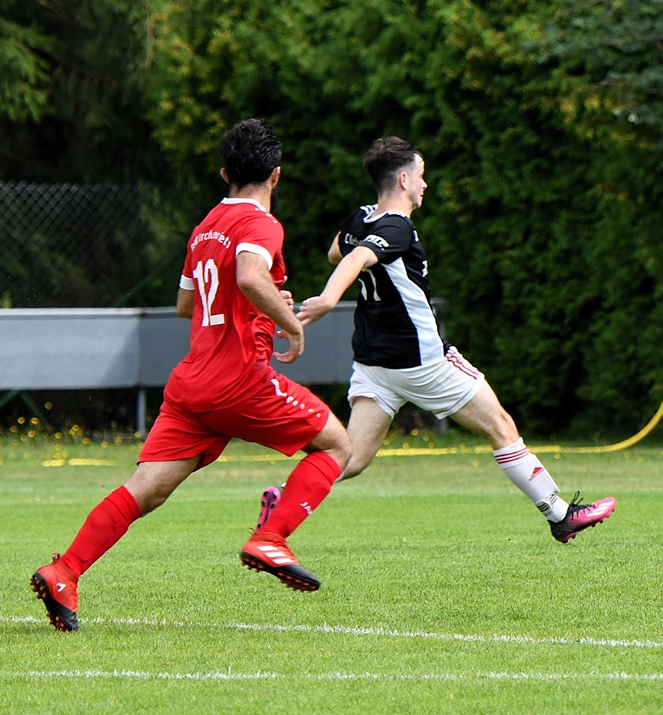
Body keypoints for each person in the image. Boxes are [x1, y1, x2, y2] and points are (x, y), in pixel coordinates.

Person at [30, 119, 353, 632]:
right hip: (239, 377)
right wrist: (291, 325)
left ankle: (65, 570)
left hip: (193, 382)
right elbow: (248, 276)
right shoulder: (263, 224)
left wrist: (265, 306)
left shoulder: (206, 226)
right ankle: (271, 538)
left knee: (146, 488)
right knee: (339, 446)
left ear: (225, 172)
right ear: (276, 175)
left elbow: (189, 303)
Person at [256, 136, 615, 543]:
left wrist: (362, 262)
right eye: (422, 176)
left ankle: (283, 500)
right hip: (421, 361)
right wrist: (326, 299)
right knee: (501, 425)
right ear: (405, 179)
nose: (425, 185)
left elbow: (337, 251)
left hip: (374, 364)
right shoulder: (397, 227)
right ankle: (560, 514)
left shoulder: (361, 218)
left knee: (351, 457)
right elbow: (353, 259)